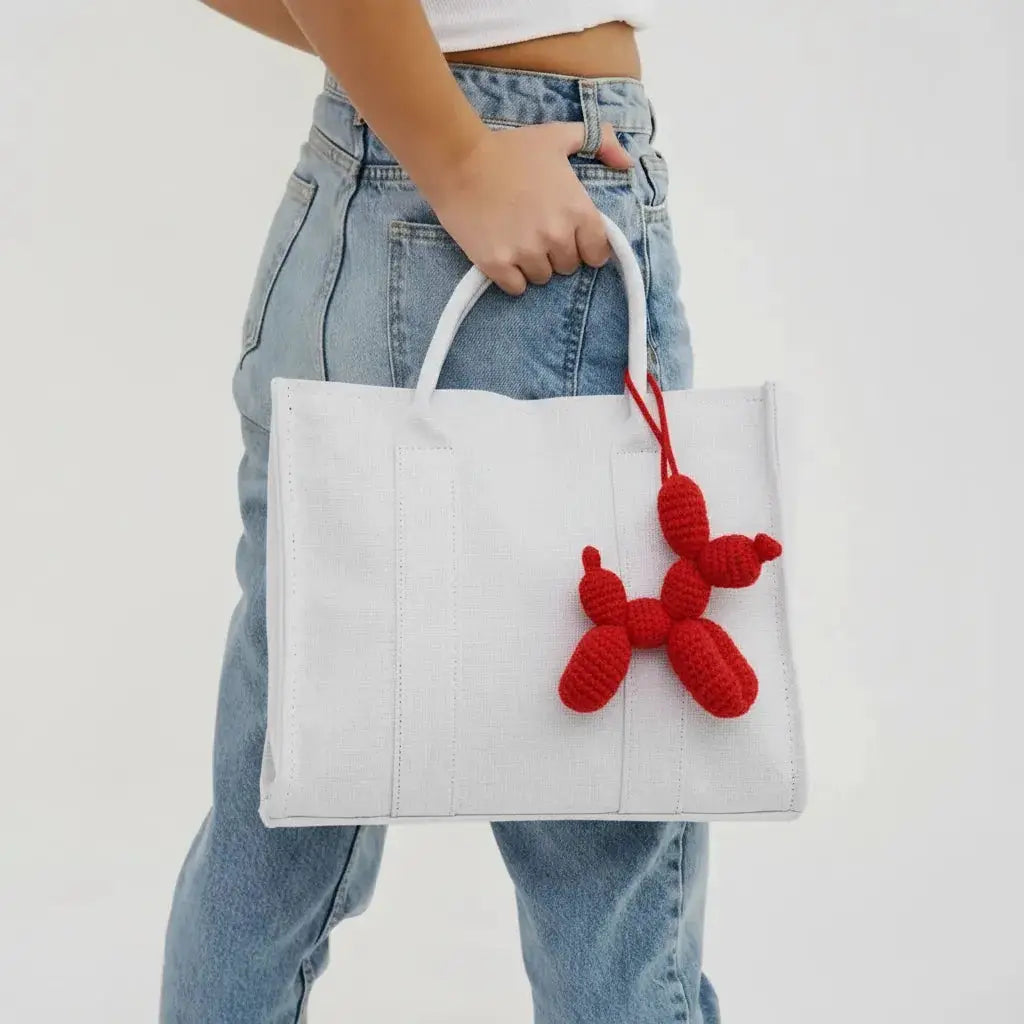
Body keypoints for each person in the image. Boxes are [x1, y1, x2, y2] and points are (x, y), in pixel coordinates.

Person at [160, 2, 719, 1022]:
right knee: (602, 836)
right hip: (517, 191)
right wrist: (457, 158)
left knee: (280, 811)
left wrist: (409, 93)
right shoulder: (479, 164)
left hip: (356, 191)